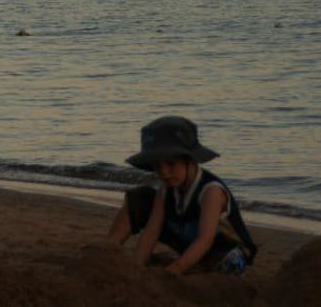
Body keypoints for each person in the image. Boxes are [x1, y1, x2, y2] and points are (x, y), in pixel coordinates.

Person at [107, 116, 258, 275]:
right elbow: (151, 233)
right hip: (189, 244)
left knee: (227, 262)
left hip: (224, 251)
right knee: (140, 198)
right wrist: (136, 267)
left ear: (190, 160)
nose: (164, 172)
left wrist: (172, 272)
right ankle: (107, 251)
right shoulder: (165, 191)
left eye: (171, 164)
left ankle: (189, 267)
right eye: (157, 166)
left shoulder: (211, 191)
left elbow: (205, 240)